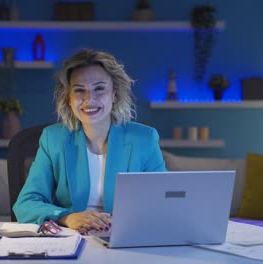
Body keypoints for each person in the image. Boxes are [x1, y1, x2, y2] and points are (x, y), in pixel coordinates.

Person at [13, 48, 166, 234]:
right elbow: (26, 203)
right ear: (68, 97)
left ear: (114, 94)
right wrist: (67, 217)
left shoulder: (144, 139)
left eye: (99, 88)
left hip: (126, 238)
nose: (89, 99)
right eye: (79, 90)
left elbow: (162, 201)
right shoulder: (52, 139)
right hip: (71, 238)